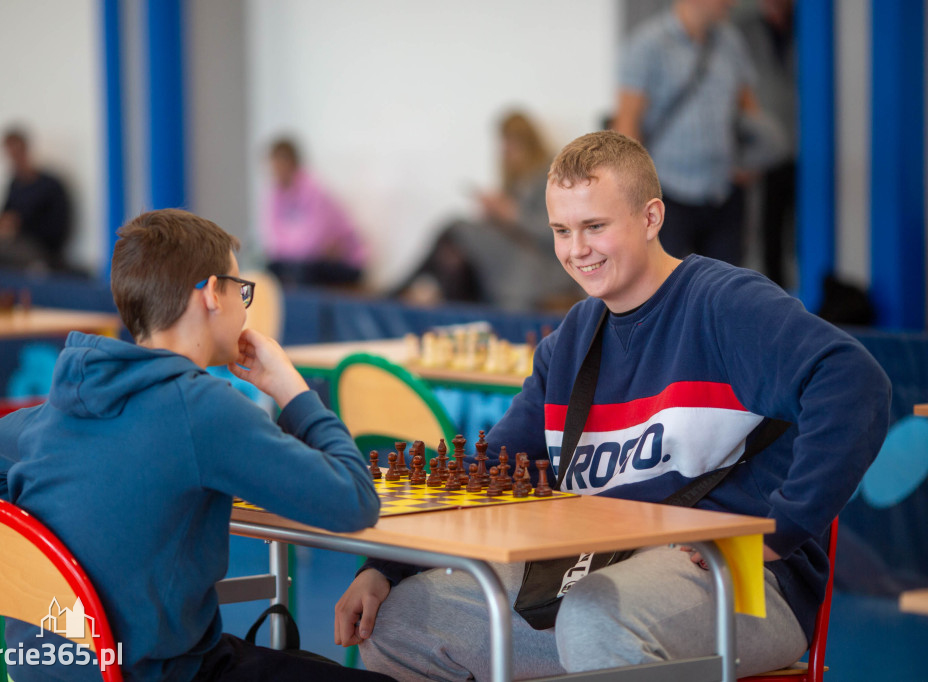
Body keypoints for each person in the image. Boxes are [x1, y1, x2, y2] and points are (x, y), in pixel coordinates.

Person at [334, 131, 890, 679]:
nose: (577, 250)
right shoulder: (571, 340)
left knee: (595, 619)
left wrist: (780, 526)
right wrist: (386, 568)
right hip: (590, 572)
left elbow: (854, 384)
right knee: (399, 622)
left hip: (740, 578)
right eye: (561, 230)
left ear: (651, 218)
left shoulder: (725, 304)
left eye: (595, 226)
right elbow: (489, 465)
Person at [0, 209, 391, 681]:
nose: (246, 309)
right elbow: (355, 501)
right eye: (242, 291)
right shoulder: (200, 408)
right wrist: (291, 388)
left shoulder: (67, 399)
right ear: (210, 295)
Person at [612, 0, 785, 268]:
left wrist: (752, 160)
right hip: (667, 192)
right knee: (661, 289)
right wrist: (635, 193)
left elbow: (749, 109)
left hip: (722, 192)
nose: (732, 3)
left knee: (725, 288)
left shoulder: (730, 42)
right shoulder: (647, 45)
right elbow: (627, 125)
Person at [395, 111, 581, 311]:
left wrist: (512, 214)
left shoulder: (551, 174)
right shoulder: (517, 177)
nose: (506, 150)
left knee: (456, 228)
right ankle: (405, 294)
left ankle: (397, 290)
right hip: (514, 257)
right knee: (453, 254)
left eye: (512, 143)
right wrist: (494, 215)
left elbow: (559, 231)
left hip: (539, 265)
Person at [736, 0, 796, 287]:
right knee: (766, 233)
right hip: (766, 152)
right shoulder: (743, 30)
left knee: (805, 230)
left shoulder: (805, 25)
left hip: (808, 146)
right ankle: (775, 299)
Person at [0, 126, 71, 272]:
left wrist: (18, 225)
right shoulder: (14, 184)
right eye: (9, 155)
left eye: (16, 153)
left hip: (40, 250)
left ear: (26, 151)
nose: (13, 160)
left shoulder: (50, 185)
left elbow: (57, 230)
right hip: (15, 244)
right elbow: (3, 215)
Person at [263, 137, 367, 288]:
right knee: (270, 270)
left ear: (292, 163)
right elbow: (274, 240)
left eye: (279, 164)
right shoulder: (275, 193)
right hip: (305, 261)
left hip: (346, 262)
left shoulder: (314, 190)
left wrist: (290, 252)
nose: (275, 170)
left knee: (302, 273)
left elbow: (312, 243)